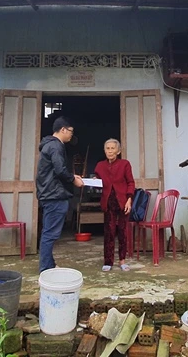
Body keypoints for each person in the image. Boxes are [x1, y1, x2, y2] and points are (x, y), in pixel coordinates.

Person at [36, 117, 84, 273]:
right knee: (50, 233)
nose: (71, 135)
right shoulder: (56, 146)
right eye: (70, 131)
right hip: (54, 194)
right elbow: (60, 170)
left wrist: (71, 176)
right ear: (63, 129)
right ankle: (45, 268)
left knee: (48, 232)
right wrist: (73, 180)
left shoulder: (48, 145)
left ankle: (49, 264)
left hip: (49, 193)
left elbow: (56, 170)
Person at [93, 138, 135, 272]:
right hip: (108, 202)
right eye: (107, 148)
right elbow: (98, 182)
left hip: (122, 201)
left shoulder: (125, 164)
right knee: (109, 232)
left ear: (118, 151)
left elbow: (131, 182)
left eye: (112, 148)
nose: (110, 151)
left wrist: (129, 199)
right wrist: (94, 181)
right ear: (104, 151)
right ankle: (108, 261)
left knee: (123, 231)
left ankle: (122, 260)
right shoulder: (100, 166)